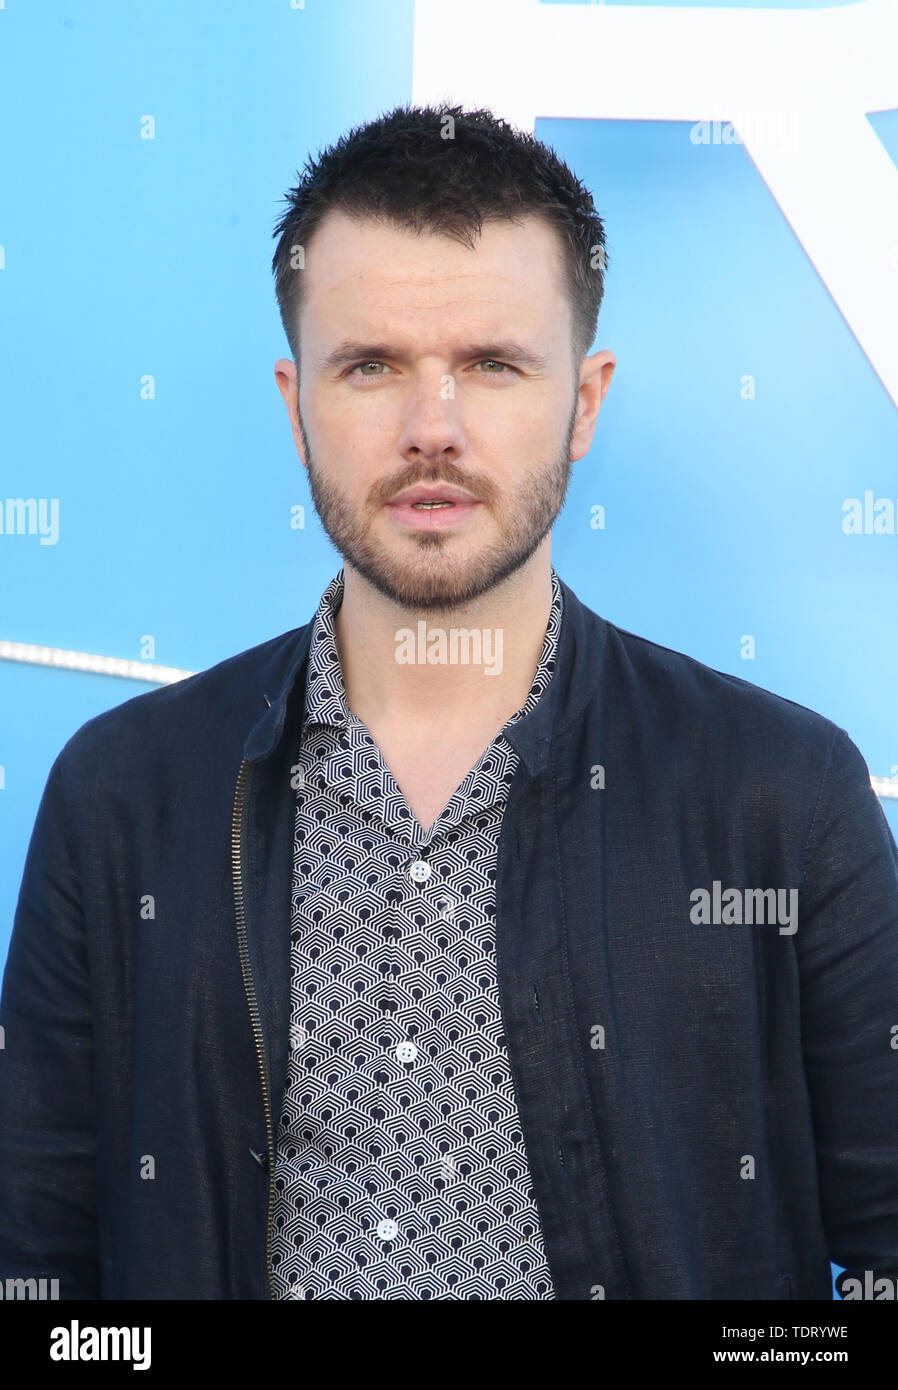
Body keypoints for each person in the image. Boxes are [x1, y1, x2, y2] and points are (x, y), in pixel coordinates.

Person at [1, 103, 896, 1301]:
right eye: (371, 365)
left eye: (491, 363)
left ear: (583, 402)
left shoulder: (780, 792)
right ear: (294, 400)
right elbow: (38, 1267)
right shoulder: (124, 794)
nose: (434, 430)